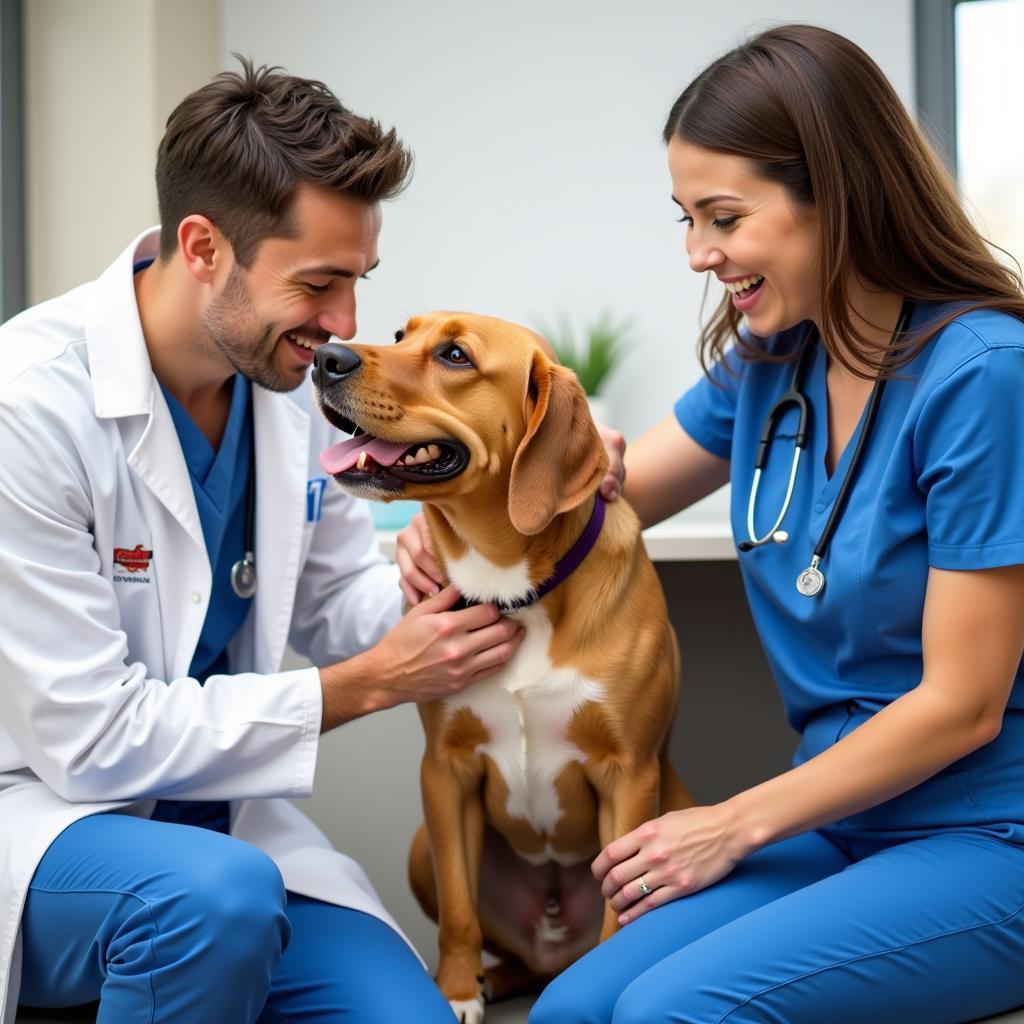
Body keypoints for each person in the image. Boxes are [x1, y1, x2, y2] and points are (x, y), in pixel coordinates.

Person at [397, 24, 1024, 1024]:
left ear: (837, 191)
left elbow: (963, 705)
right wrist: (449, 517)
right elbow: (593, 503)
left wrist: (729, 824)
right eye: (686, 219)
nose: (699, 254)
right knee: (568, 1009)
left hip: (984, 835)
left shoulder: (981, 374)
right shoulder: (769, 365)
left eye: (722, 216)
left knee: (667, 1013)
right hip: (838, 822)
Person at [0, 59, 526, 1022]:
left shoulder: (286, 390)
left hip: (227, 829)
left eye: (359, 282)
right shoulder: (27, 408)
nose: (345, 329)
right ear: (203, 246)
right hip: (44, 818)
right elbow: (87, 743)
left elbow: (337, 607)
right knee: (212, 904)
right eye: (320, 284)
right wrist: (366, 685)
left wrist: (439, 575)